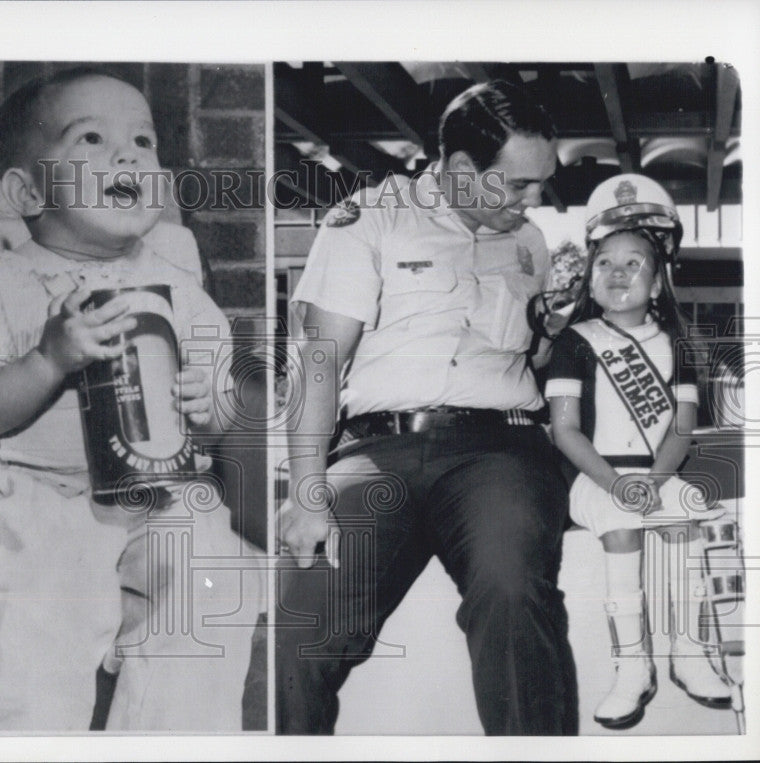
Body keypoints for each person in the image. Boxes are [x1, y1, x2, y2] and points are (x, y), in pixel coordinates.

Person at [0, 68, 263, 731]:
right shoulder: (1, 285)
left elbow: (224, 412)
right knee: (38, 644)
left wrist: (211, 402)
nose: (128, 155)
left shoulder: (179, 287)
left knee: (214, 581)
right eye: (91, 137)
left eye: (143, 141)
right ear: (27, 189)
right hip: (47, 499)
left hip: (165, 495)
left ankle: (171, 731)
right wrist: (49, 358)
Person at [274, 80, 578, 735]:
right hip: (374, 450)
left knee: (513, 592)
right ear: (462, 169)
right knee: (297, 636)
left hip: (500, 451)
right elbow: (317, 358)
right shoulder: (368, 219)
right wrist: (305, 490)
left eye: (542, 183)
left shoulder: (530, 243)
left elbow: (533, 360)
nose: (536, 201)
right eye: (519, 184)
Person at [546, 174, 732, 729]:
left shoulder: (679, 344)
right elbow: (565, 431)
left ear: (657, 285)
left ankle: (689, 652)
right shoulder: (575, 342)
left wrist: (655, 478)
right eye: (605, 262)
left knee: (688, 526)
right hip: (597, 478)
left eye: (634, 263)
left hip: (656, 473)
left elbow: (682, 426)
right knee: (624, 523)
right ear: (589, 276)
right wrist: (616, 483)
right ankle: (632, 666)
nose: (618, 273)